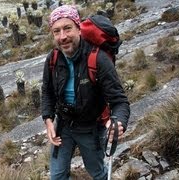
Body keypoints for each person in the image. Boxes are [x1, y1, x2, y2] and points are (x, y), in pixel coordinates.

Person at [41, 5, 130, 180]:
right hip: (63, 127)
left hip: (91, 129)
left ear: (78, 28)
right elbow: (47, 91)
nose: (63, 36)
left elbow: (120, 102)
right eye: (56, 31)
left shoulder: (98, 59)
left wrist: (119, 122)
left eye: (68, 28)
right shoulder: (53, 59)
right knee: (57, 175)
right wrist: (48, 120)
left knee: (97, 172)